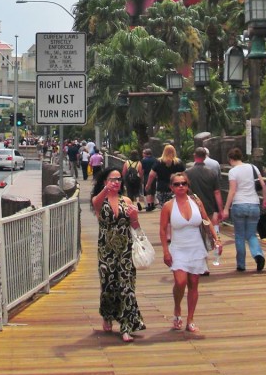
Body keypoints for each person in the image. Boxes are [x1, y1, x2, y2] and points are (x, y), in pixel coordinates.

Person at [159, 171, 220, 332]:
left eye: (184, 184)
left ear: (188, 186)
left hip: (196, 247)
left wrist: (216, 239)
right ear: (171, 187)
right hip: (178, 248)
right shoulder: (168, 206)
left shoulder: (196, 201)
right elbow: (163, 229)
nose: (181, 187)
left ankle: (190, 319)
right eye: (177, 184)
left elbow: (206, 220)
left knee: (194, 283)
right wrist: (165, 251)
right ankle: (177, 308)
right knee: (180, 282)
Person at [91, 167, 146, 342]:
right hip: (106, 250)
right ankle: (107, 314)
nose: (116, 182)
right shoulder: (100, 200)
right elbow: (96, 203)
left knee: (126, 288)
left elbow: (135, 226)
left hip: (125, 249)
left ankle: (126, 326)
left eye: (118, 179)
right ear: (105, 181)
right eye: (112, 179)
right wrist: (106, 189)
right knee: (108, 286)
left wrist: (135, 217)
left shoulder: (126, 200)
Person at [222, 147, 266, 273]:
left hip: (239, 205)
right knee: (251, 234)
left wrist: (226, 208)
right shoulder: (253, 167)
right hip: (253, 204)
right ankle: (258, 254)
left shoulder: (233, 172)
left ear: (230, 159)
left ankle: (241, 264)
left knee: (239, 236)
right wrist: (265, 199)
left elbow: (232, 191)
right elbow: (263, 184)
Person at [186, 147, 223, 273]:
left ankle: (203, 264)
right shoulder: (211, 172)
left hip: (193, 208)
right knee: (207, 235)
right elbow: (217, 192)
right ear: (205, 156)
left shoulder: (188, 172)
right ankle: (206, 260)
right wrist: (220, 209)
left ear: (194, 156)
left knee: (197, 236)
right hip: (209, 207)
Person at [146, 144, 184, 209]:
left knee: (164, 207)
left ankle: (165, 217)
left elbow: (152, 175)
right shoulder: (178, 162)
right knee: (175, 207)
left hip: (162, 189)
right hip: (175, 188)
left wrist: (148, 185)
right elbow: (183, 175)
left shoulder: (158, 162)